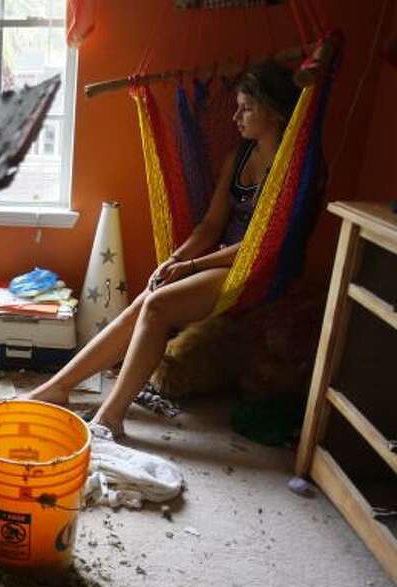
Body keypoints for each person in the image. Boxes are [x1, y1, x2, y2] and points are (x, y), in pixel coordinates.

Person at [26, 61, 321, 437]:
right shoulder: (240, 158)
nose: (235, 117)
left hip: (262, 270)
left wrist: (194, 265)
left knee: (158, 306)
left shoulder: (292, 170)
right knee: (147, 297)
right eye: (236, 106)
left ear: (275, 112)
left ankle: (111, 416)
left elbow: (261, 246)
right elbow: (210, 225)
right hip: (223, 258)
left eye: (246, 108)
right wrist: (175, 259)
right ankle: (60, 388)